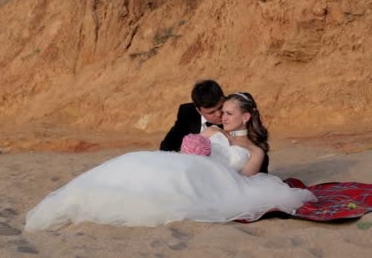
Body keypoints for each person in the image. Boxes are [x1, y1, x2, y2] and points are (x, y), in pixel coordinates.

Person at [25, 92, 316, 231]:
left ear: (245, 117)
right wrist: (200, 142)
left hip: (214, 178)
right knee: (134, 163)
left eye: (228, 113)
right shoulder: (212, 130)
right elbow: (193, 147)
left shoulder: (254, 150)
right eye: (221, 112)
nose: (221, 117)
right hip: (185, 163)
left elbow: (245, 181)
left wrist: (245, 148)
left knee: (171, 186)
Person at [160, 80, 269, 173]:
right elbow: (168, 146)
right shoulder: (189, 114)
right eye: (211, 112)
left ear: (224, 99)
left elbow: (256, 152)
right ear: (199, 110)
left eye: (221, 108)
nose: (219, 115)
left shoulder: (234, 112)